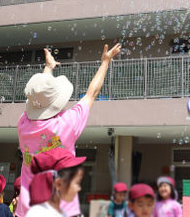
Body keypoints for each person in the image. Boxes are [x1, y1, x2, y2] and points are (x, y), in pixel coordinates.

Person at [16, 43, 121, 217]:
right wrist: (105, 62)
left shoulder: (23, 125)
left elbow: (39, 96)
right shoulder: (67, 123)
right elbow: (91, 93)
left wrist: (48, 68)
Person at [26, 147, 86, 217]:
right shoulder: (37, 213)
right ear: (58, 184)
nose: (79, 188)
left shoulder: (61, 212)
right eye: (77, 183)